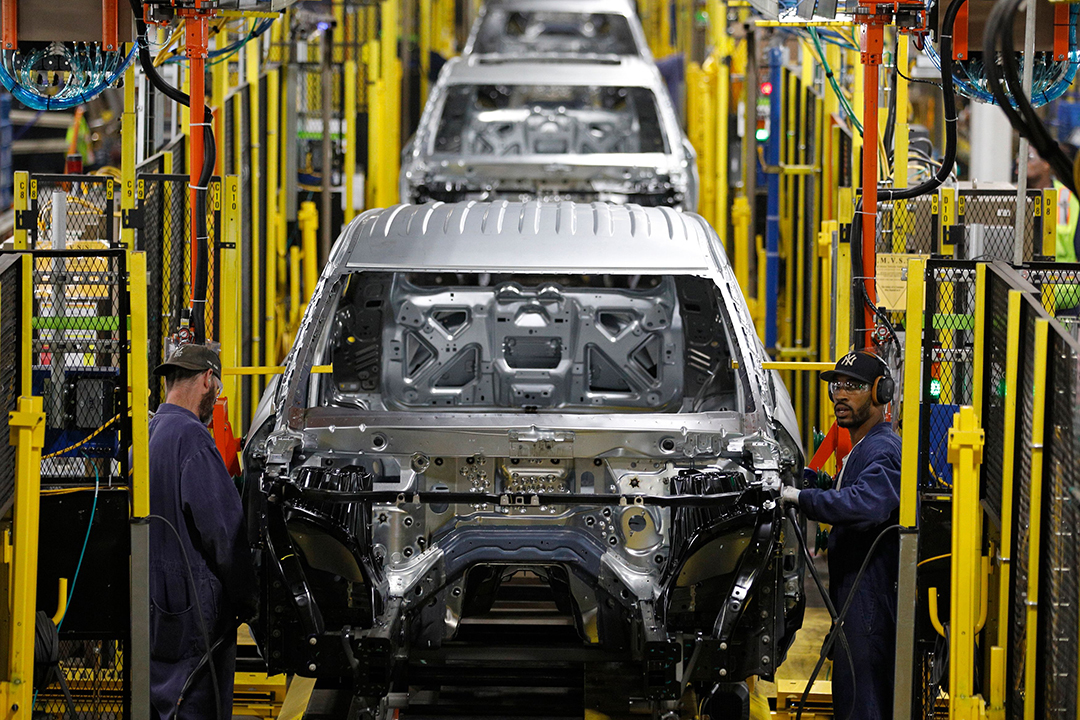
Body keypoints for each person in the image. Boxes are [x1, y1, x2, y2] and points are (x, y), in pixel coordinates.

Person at [780, 350, 902, 720]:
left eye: (855, 386)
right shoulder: (862, 447)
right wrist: (812, 484)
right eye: (837, 385)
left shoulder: (883, 448)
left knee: (862, 703)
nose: (841, 395)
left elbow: (867, 504)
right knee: (850, 694)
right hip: (854, 590)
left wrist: (804, 498)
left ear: (881, 393)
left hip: (869, 597)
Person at [148, 344, 257, 720]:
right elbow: (224, 532)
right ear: (208, 380)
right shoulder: (192, 440)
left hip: (154, 608)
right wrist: (250, 600)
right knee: (196, 704)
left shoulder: (148, 434)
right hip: (196, 614)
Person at [1027, 143, 1080, 263]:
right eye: (1019, 156)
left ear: (1046, 163)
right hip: (1022, 279)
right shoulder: (1014, 196)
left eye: (1029, 157)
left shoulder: (1069, 197)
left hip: (1064, 279)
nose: (1020, 161)